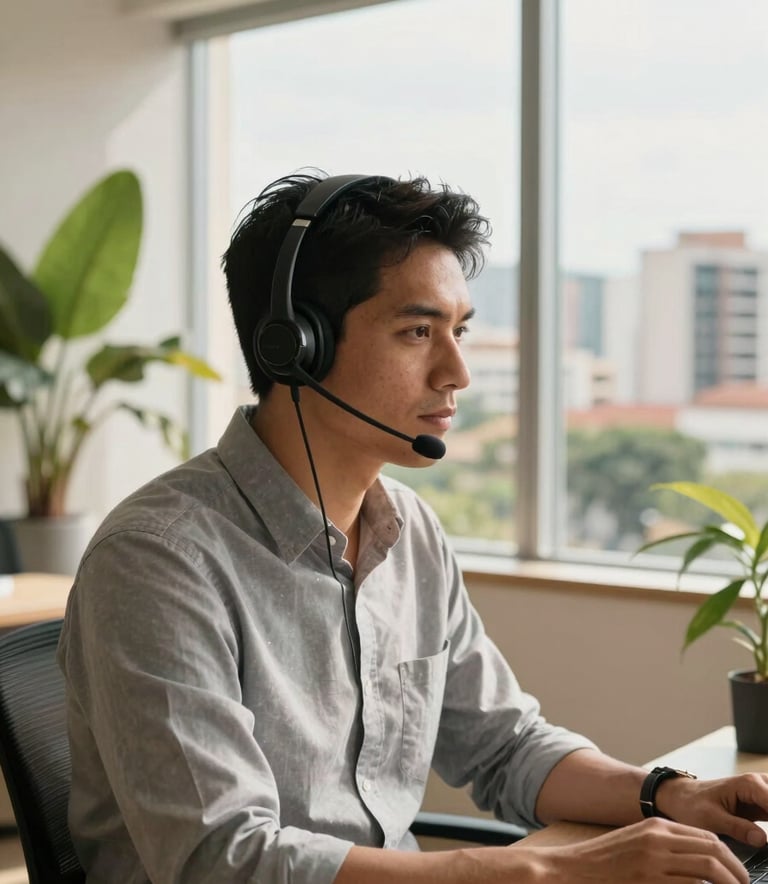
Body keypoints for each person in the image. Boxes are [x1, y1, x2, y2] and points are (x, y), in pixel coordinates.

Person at [58, 170, 766, 884]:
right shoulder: (159, 559)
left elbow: (503, 745)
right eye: (418, 332)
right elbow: (224, 860)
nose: (456, 371)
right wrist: (540, 873)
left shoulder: (409, 532)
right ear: (295, 345)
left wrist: (667, 795)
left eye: (458, 332)